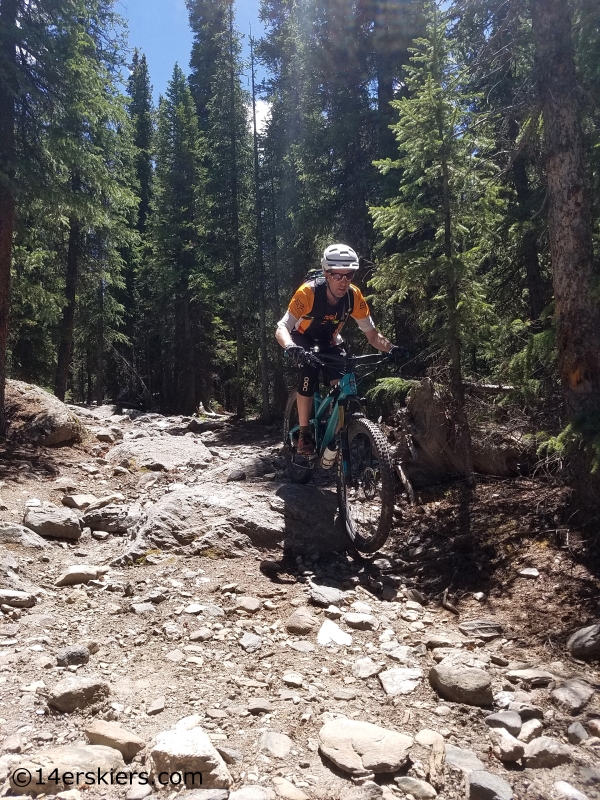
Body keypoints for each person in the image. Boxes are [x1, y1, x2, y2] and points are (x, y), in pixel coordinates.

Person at [275, 243, 404, 455]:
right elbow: (282, 327)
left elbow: (372, 335)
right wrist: (291, 346)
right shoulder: (307, 293)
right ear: (326, 273)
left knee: (345, 384)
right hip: (302, 337)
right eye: (337, 276)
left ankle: (333, 439)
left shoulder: (354, 297)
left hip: (329, 340)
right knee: (308, 371)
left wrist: (391, 348)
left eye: (349, 275)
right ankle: (305, 433)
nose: (344, 282)